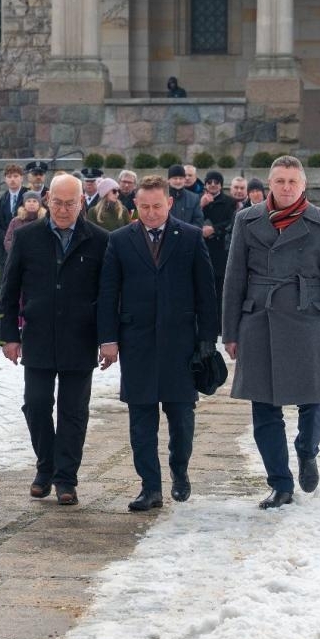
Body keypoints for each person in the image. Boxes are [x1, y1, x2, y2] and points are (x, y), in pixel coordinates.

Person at [223, 156, 320, 509]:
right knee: (264, 407)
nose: (286, 187)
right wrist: (229, 332)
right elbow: (234, 279)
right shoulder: (246, 220)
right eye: (279, 181)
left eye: (292, 181)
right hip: (259, 321)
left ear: (303, 185)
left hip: (308, 317)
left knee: (315, 398)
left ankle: (307, 451)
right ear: (269, 184)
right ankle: (280, 483)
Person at [98, 175, 218, 511]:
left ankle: (180, 470)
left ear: (170, 203)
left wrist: (208, 339)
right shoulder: (120, 240)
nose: (151, 213)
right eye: (145, 206)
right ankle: (150, 487)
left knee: (181, 418)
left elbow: (206, 293)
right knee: (141, 421)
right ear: (135, 204)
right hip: (136, 342)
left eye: (157, 206)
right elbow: (108, 293)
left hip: (181, 345)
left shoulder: (191, 238)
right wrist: (108, 339)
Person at [0, 174, 109, 506]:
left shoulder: (100, 240)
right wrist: (8, 335)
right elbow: (9, 289)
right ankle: (45, 467)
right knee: (36, 404)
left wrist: (108, 339)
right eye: (57, 202)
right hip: (38, 335)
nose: (63, 210)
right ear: (47, 199)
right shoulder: (28, 236)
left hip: (80, 337)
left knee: (74, 412)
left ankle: (66, 479)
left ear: (82, 203)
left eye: (70, 203)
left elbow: (108, 296)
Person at [200, 170, 238, 330]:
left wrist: (214, 229)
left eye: (216, 182)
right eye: (210, 182)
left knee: (221, 290)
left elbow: (231, 223)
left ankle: (221, 326)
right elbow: (190, 219)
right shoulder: (199, 201)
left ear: (221, 185)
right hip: (203, 250)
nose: (213, 185)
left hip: (221, 251)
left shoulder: (230, 201)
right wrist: (201, 206)